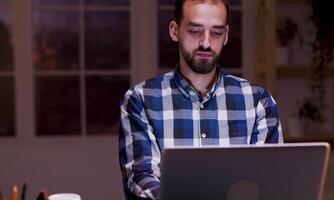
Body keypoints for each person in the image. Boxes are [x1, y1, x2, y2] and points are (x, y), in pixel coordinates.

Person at [119, 0, 283, 199]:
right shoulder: (141, 99)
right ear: (174, 30)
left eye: (216, 32)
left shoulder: (258, 101)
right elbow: (142, 178)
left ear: (226, 36)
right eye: (195, 31)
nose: (206, 43)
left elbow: (268, 181)